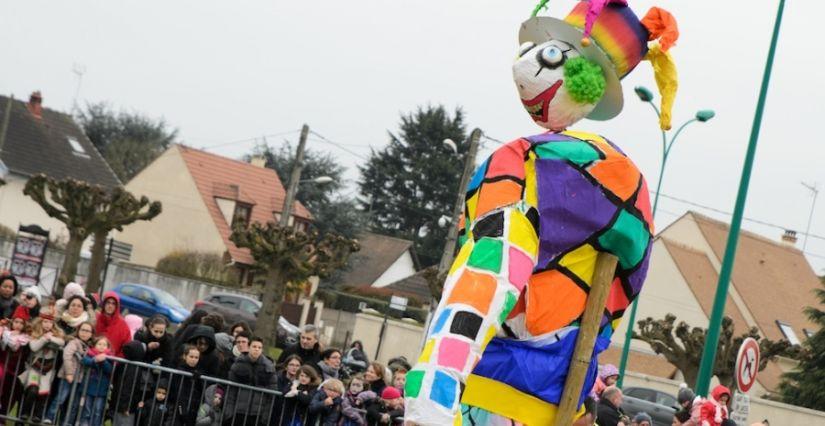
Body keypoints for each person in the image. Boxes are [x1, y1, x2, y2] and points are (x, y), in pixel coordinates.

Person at [18, 305, 66, 423]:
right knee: (33, 389)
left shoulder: (56, 335)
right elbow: (34, 347)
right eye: (45, 321)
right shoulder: (34, 333)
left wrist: (51, 339)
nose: (47, 325)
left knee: (43, 393)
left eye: (50, 322)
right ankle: (25, 412)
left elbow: (62, 342)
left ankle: (37, 415)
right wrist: (44, 339)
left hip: (48, 369)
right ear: (41, 322)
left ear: (53, 324)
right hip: (35, 367)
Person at [45, 321, 93, 424]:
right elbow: (67, 355)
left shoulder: (88, 347)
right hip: (68, 376)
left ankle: (67, 422)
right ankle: (50, 417)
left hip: (79, 379)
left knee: (73, 403)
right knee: (61, 398)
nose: (85, 333)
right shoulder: (74, 342)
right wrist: (69, 373)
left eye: (88, 331)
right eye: (83, 330)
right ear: (78, 331)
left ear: (91, 334)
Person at [225, 336, 278, 426]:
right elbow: (231, 389)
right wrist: (229, 412)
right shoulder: (238, 364)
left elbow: (272, 394)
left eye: (259, 347)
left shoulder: (269, 367)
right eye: (254, 347)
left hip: (258, 414)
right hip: (238, 411)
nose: (256, 349)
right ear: (248, 347)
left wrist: (265, 417)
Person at [112, 340, 149, 426]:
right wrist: (126, 407)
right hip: (127, 407)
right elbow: (127, 388)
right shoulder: (133, 368)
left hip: (121, 404)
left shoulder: (125, 364)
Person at [0, 313, 30, 417]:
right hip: (2, 366)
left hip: (15, 372)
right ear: (12, 322)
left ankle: (3, 417)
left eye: (21, 323)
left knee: (11, 393)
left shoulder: (26, 339)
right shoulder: (5, 333)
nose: (18, 325)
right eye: (16, 322)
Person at [80, 336, 114, 426]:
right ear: (95, 345)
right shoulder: (90, 353)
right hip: (89, 387)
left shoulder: (110, 358)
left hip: (102, 390)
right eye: (99, 344)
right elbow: (85, 361)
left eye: (104, 345)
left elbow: (109, 370)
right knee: (87, 409)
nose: (102, 346)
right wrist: (95, 360)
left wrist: (103, 361)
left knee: (98, 411)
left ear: (108, 347)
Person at [95, 292, 131, 357]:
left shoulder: (123, 325)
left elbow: (126, 347)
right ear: (104, 304)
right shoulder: (96, 319)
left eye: (113, 303)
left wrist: (115, 362)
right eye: (108, 302)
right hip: (91, 359)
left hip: (112, 363)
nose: (110, 306)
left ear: (117, 306)